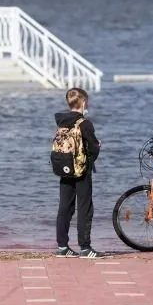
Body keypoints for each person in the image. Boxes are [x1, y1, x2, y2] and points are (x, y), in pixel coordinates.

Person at [54, 87, 104, 258]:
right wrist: (97, 148)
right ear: (84, 102)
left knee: (64, 208)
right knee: (85, 208)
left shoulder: (61, 122)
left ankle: (62, 247)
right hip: (82, 171)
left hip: (64, 169)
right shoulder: (85, 124)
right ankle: (85, 248)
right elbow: (93, 148)